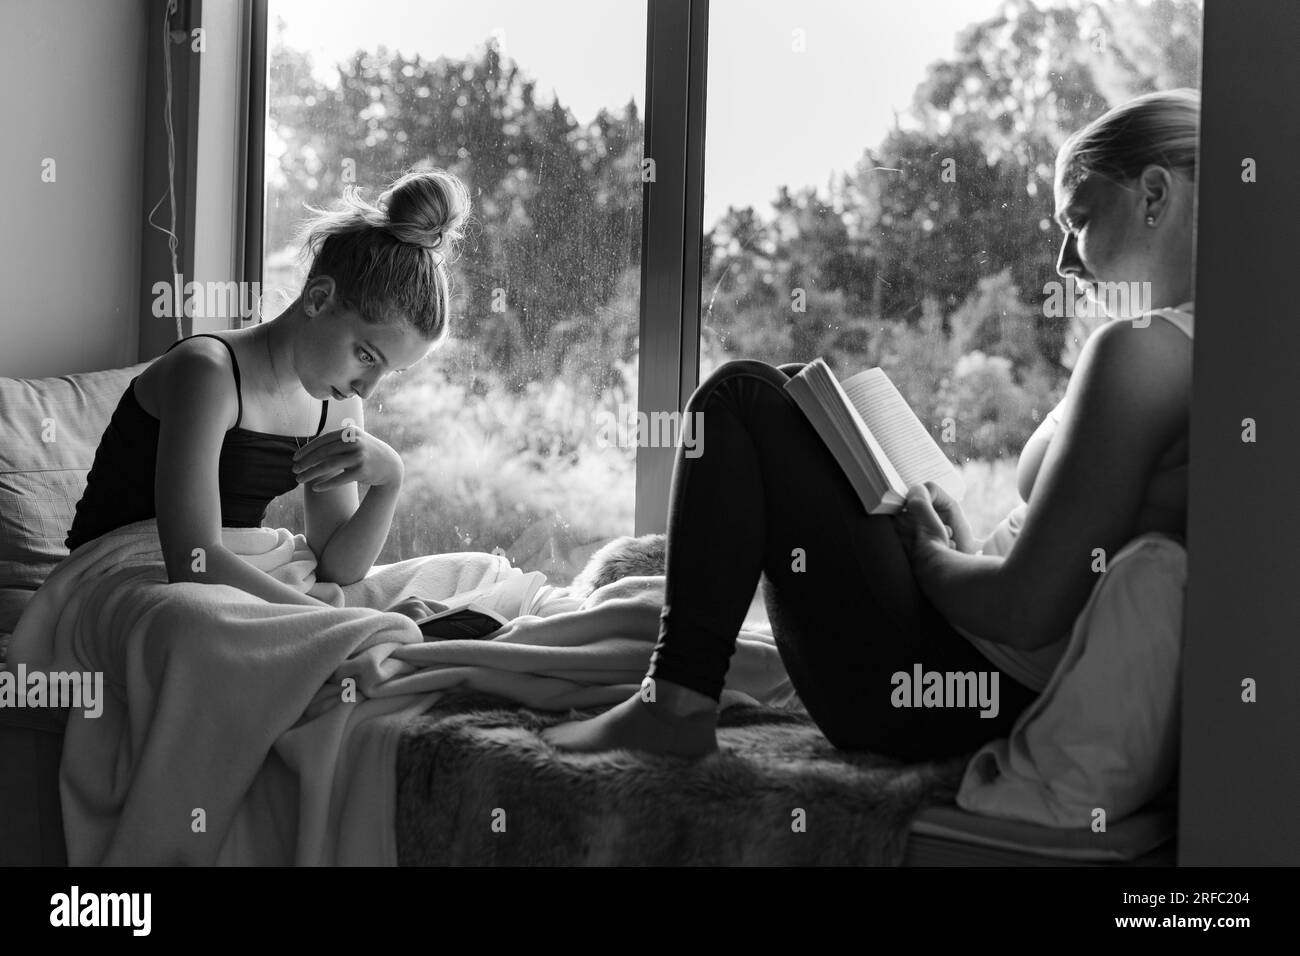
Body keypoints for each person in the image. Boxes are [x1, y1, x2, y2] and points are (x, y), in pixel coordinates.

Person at [544, 88, 1199, 762]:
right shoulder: (1198, 351)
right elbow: (1058, 582)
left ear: (1153, 195)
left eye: (1079, 219)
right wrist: (960, 550)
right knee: (798, 394)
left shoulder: (1143, 351)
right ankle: (675, 699)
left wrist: (928, 556)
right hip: (975, 681)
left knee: (740, 398)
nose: (1064, 259)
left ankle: (674, 705)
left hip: (941, 692)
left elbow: (1025, 611)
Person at [64, 168, 470, 606]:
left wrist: (390, 481)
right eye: (367, 356)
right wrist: (333, 620)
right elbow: (191, 562)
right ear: (317, 299)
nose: (367, 390)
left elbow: (336, 567)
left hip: (234, 572)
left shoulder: (335, 402)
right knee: (194, 614)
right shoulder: (206, 371)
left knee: (471, 573)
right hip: (127, 575)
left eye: (388, 372)